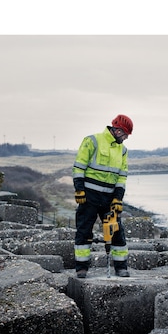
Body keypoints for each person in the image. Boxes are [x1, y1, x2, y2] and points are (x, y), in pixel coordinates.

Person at [72, 114, 134, 279]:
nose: (126, 138)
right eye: (126, 134)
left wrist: (118, 199)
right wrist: (79, 190)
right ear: (118, 130)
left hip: (109, 199)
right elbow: (79, 167)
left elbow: (121, 177)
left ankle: (121, 268)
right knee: (84, 231)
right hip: (89, 196)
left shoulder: (123, 151)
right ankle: (81, 269)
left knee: (116, 232)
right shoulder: (92, 141)